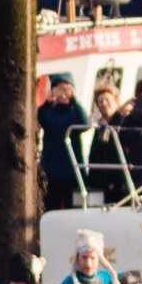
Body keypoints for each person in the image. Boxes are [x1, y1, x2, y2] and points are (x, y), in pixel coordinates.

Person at [38, 75, 88, 212]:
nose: (62, 93)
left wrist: (74, 100)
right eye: (58, 88)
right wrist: (48, 101)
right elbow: (39, 119)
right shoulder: (49, 112)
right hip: (52, 172)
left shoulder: (75, 111)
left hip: (72, 172)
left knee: (73, 210)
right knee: (51, 208)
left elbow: (86, 124)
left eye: (66, 88)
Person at [77, 83, 131, 204]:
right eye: (100, 101)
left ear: (116, 102)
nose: (104, 103)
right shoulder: (99, 128)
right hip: (101, 183)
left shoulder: (125, 123)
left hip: (119, 182)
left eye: (107, 100)